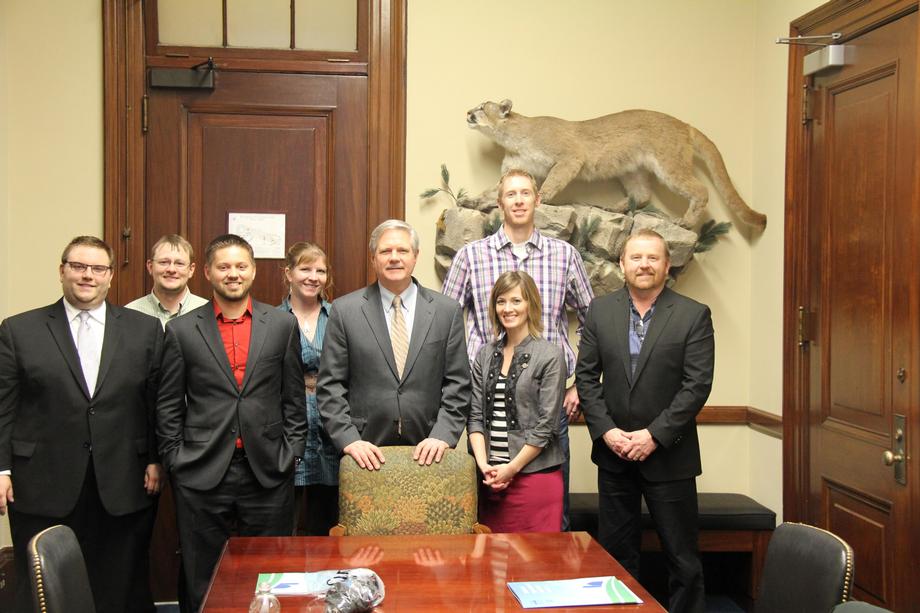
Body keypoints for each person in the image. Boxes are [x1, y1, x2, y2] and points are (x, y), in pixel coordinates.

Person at [0, 236, 163, 613]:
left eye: (97, 268)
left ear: (110, 276)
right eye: (78, 266)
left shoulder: (145, 330)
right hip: (42, 483)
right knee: (44, 589)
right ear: (62, 271)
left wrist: (157, 459)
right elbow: (4, 406)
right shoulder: (19, 330)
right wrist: (2, 468)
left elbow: (155, 404)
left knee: (119, 587)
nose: (87, 276)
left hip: (124, 480)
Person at [156, 234, 307, 612]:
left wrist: (292, 453)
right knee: (202, 574)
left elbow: (293, 399)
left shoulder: (281, 325)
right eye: (224, 266)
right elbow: (169, 405)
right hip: (202, 471)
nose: (233, 274)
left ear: (254, 271)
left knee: (271, 571)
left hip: (268, 470)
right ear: (207, 272)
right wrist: (176, 460)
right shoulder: (181, 330)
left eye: (241, 266)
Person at [442, 168, 594, 528]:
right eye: (511, 194)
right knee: (484, 514)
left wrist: (579, 386)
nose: (519, 200)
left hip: (545, 402)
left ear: (538, 200)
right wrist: (460, 385)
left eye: (526, 193)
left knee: (552, 516)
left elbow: (593, 322)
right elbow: (445, 325)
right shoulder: (471, 257)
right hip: (484, 402)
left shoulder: (564, 255)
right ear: (500, 203)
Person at [575, 228, 714, 613]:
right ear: (622, 264)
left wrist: (654, 435)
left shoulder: (692, 314)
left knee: (682, 560)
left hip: (670, 457)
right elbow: (586, 378)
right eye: (636, 257)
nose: (644, 264)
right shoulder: (600, 311)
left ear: (667, 265)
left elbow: (696, 385)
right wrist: (607, 432)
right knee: (616, 558)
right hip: (614, 455)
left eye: (653, 257)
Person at [318, 219, 470, 470]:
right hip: (365, 451)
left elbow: (459, 384)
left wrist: (442, 434)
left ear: (415, 256)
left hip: (429, 449)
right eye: (385, 251)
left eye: (402, 251)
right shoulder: (345, 311)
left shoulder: (446, 311)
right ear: (373, 259)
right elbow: (330, 386)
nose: (394, 258)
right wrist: (349, 440)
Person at [468, 271, 566, 533]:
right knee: (491, 566)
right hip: (490, 482)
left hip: (534, 481)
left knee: (536, 567)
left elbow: (547, 426)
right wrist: (484, 465)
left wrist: (511, 468)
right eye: (501, 301)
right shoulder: (485, 354)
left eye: (516, 301)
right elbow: (475, 417)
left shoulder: (550, 355)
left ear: (530, 304)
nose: (507, 308)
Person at [278, 241, 339, 535]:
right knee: (284, 526)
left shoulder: (340, 317)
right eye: (305, 268)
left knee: (329, 527)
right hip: (288, 430)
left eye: (320, 270)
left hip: (333, 430)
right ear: (288, 273)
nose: (313, 277)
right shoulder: (273, 320)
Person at [125, 233, 208, 328]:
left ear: (191, 270)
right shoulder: (130, 313)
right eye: (163, 262)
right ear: (150, 266)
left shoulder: (209, 313)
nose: (171, 269)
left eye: (179, 263)